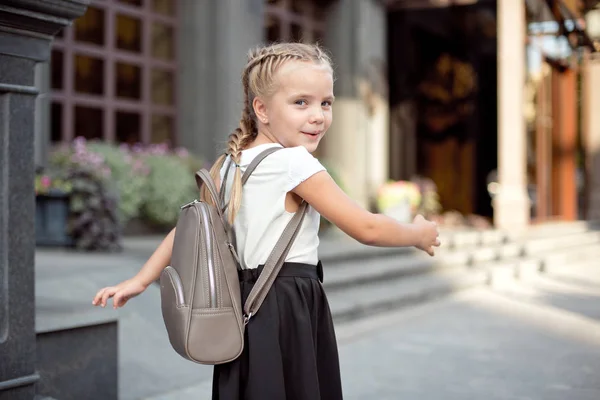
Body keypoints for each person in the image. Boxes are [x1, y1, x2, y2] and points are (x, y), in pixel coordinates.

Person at [92, 42, 440, 400]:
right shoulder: (295, 164)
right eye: (301, 102)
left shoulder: (230, 164)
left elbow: (188, 229)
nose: (318, 115)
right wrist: (418, 233)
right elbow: (366, 228)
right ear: (262, 109)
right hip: (288, 306)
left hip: (241, 305)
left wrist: (139, 280)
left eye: (326, 102)